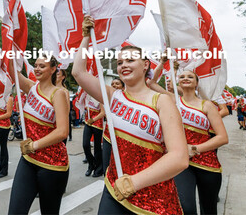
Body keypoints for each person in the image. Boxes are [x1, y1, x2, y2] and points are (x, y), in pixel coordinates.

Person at [72, 16, 188, 215]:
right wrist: (85, 38)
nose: (123, 65)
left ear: (145, 65)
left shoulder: (162, 101)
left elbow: (179, 157)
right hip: (115, 189)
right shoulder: (112, 96)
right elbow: (78, 72)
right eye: (119, 62)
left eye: (130, 60)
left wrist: (134, 182)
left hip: (153, 198)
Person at [8, 55, 70, 214]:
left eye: (42, 66)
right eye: (35, 65)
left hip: (52, 164)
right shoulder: (31, 87)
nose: (37, 68)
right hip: (29, 159)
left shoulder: (59, 94)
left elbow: (63, 131)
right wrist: (9, 48)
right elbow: (12, 71)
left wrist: (34, 145)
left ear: (53, 69)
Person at [172, 70, 229, 215]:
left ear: (197, 83)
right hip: (183, 163)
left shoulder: (207, 105)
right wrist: (162, 63)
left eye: (190, 76)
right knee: (186, 208)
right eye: (182, 76)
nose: (186, 78)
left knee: (209, 209)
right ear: (178, 82)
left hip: (208, 164)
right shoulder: (173, 102)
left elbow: (222, 137)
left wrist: (195, 148)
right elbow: (151, 83)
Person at [102, 77, 125, 174]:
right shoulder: (106, 98)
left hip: (123, 138)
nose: (114, 86)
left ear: (123, 87)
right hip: (108, 136)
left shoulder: (129, 99)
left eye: (117, 83)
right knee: (106, 167)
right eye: (112, 84)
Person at [82, 92, 104, 177]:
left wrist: (93, 119)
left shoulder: (100, 97)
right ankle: (91, 163)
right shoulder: (87, 96)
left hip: (97, 124)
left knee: (97, 148)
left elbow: (103, 112)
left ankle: (98, 168)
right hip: (88, 123)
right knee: (85, 145)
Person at [56, 68, 72, 144]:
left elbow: (67, 110)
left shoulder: (65, 91)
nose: (55, 75)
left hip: (60, 124)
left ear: (63, 77)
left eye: (58, 74)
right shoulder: (49, 89)